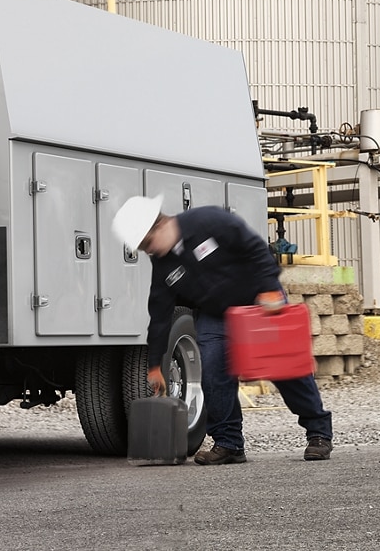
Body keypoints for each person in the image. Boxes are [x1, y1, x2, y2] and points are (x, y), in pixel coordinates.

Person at [112, 195, 334, 464]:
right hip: (217, 313)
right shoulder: (163, 264)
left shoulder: (209, 221)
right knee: (214, 373)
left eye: (147, 244)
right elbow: (159, 315)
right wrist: (155, 364)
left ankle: (318, 433)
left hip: (259, 298)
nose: (149, 251)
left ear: (159, 225)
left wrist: (267, 288)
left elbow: (255, 248)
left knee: (284, 367)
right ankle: (229, 443)